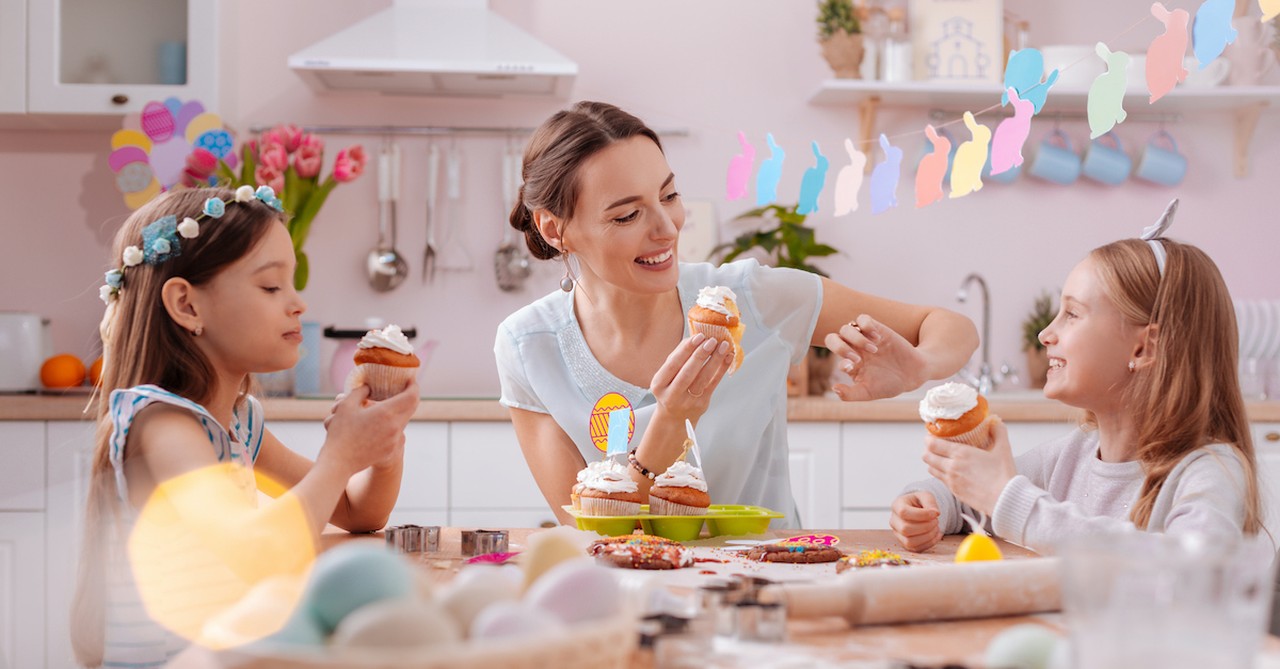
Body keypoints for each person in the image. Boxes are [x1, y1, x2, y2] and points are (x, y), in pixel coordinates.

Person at [494, 101, 979, 528]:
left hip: (769, 586)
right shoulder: (527, 347)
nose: (667, 229)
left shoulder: (749, 299)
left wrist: (920, 365)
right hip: (629, 605)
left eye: (668, 196)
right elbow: (590, 536)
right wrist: (671, 420)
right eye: (627, 215)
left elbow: (948, 325)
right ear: (555, 229)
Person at [72, 186, 419, 667]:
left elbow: (358, 513)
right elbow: (253, 552)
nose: (297, 303)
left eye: (292, 284)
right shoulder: (160, 426)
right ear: (188, 307)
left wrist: (382, 448)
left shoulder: (237, 423)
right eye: (271, 287)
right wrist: (339, 456)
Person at [891, 206, 1265, 554]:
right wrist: (927, 505)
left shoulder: (1209, 472)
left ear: (1142, 349)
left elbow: (1193, 569)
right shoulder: (1072, 456)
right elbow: (974, 497)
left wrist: (1016, 503)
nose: (1045, 334)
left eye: (1072, 313)